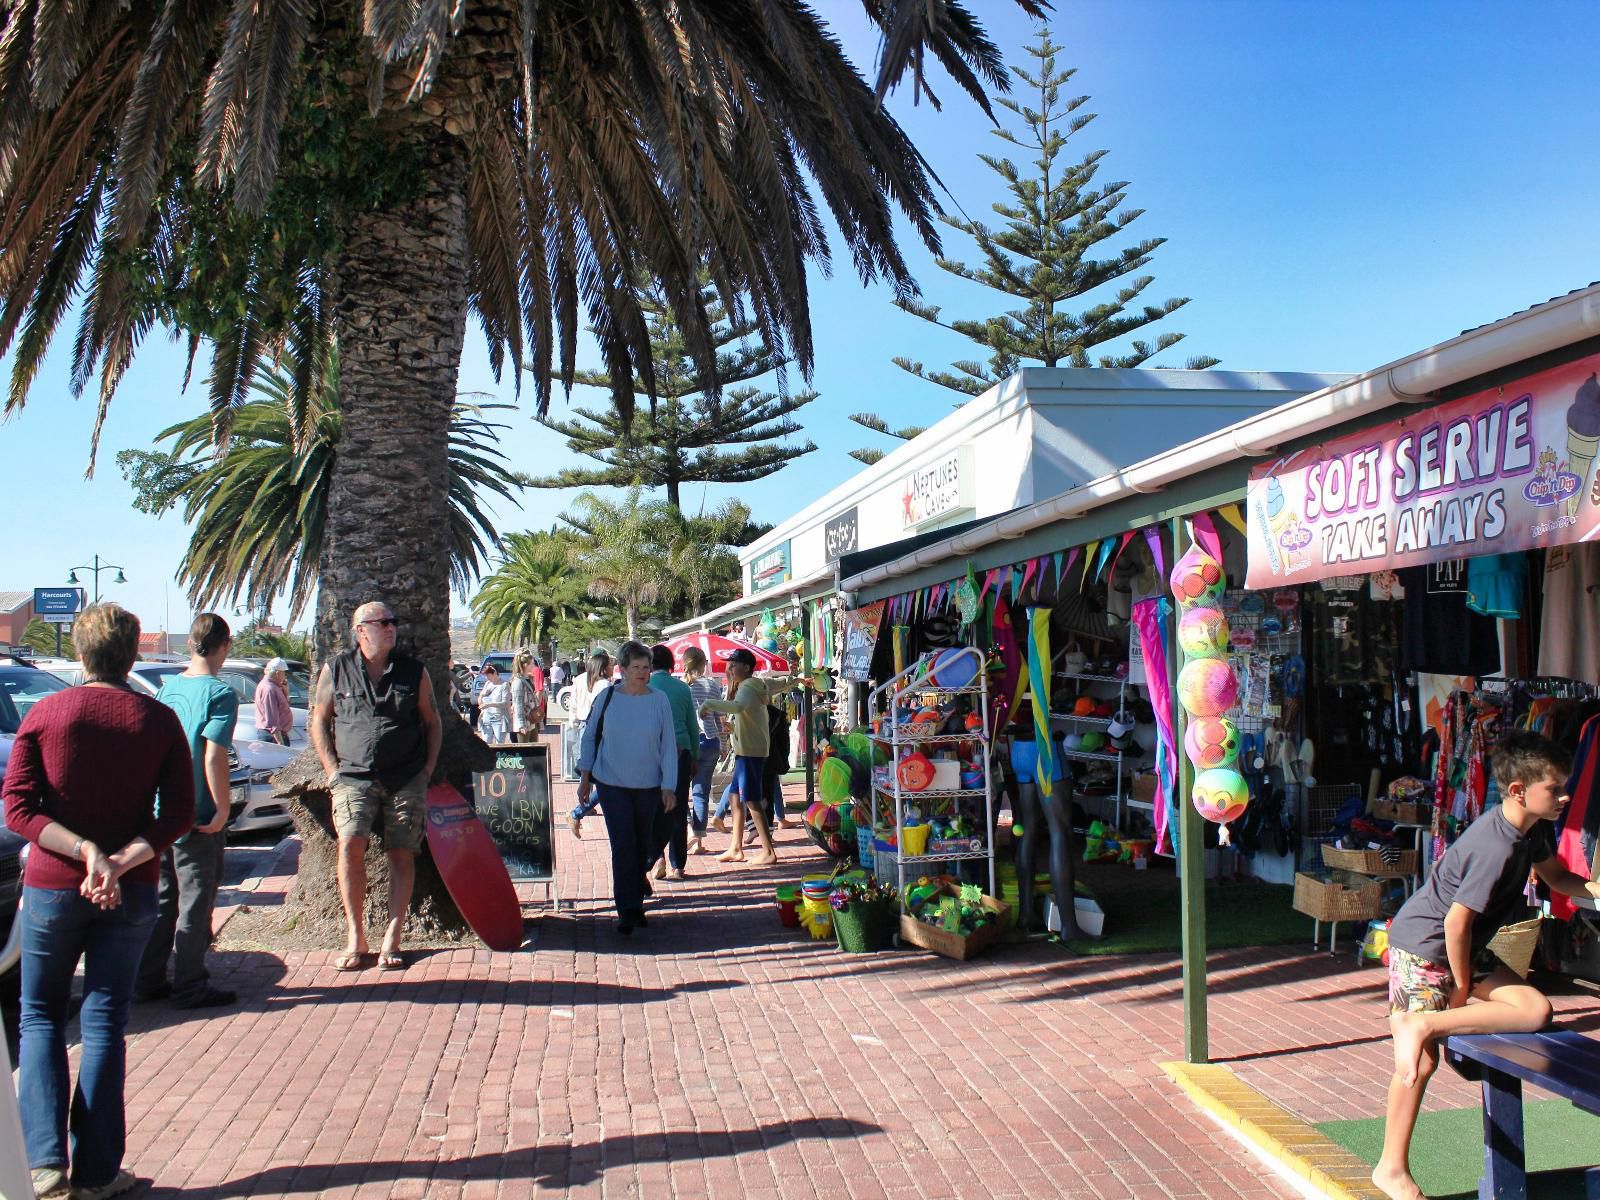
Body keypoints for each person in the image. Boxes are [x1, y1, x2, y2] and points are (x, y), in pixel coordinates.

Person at [3, 602, 195, 1200]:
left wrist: (83, 850)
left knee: (39, 1018)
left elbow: (19, 808)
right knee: (106, 1020)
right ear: (134, 653)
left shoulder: (47, 713)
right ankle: (96, 1173)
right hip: (131, 888)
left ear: (82, 654)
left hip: (53, 889)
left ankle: (42, 1166)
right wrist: (116, 860)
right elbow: (179, 815)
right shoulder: (159, 722)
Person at [1372, 731, 1600, 1200]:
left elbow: (1557, 877)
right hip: (1425, 946)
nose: (1565, 796)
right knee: (1421, 1063)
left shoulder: (1532, 828)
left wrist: (1597, 891)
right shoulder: (1493, 846)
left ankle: (1424, 1023)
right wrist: (1460, 988)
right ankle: (1390, 1168)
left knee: (1535, 1009)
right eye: (1555, 788)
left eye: (1565, 786)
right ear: (1518, 790)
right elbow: (1455, 924)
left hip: (1464, 948)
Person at [311, 601, 442, 973]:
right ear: (360, 630)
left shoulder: (413, 671)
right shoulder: (336, 670)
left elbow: (432, 721)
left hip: (405, 779)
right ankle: (356, 937)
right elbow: (319, 720)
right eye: (382, 622)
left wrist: (427, 769)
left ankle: (393, 937)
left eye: (393, 621)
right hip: (352, 778)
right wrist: (331, 770)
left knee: (402, 852)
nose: (391, 627)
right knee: (350, 844)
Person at [134, 613, 240, 1010]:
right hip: (197, 815)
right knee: (195, 903)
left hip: (163, 812)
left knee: (163, 901)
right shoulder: (220, 693)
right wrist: (222, 809)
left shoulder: (168, 688)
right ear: (223, 646)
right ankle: (190, 984)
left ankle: (147, 979)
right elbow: (214, 755)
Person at [574, 641, 678, 934]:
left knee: (644, 843)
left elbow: (668, 744)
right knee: (623, 845)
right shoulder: (608, 698)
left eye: (646, 667)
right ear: (622, 669)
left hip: (648, 786)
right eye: (636, 667)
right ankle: (628, 909)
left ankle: (635, 898)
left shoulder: (659, 700)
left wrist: (668, 785)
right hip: (611, 783)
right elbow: (590, 738)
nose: (642, 673)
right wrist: (585, 777)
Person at [698, 648, 778, 866]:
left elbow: (738, 706)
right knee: (734, 797)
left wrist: (708, 704)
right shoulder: (753, 686)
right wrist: (733, 728)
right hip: (749, 750)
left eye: (734, 665)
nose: (730, 668)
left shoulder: (748, 686)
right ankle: (736, 847)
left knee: (751, 799)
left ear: (747, 667)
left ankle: (768, 851)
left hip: (750, 752)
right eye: (729, 664)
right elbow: (749, 713)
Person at [647, 644, 699, 881]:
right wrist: (695, 757)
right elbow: (692, 726)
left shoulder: (645, 688)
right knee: (678, 808)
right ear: (671, 664)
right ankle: (678, 865)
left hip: (651, 754)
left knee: (653, 808)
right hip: (681, 751)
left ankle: (657, 857)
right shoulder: (682, 688)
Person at [682, 647, 724, 856]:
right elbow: (719, 718)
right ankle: (698, 839)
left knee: (680, 791)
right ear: (703, 664)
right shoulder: (713, 685)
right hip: (711, 742)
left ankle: (691, 830)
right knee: (701, 791)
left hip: (690, 743)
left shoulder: (682, 687)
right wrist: (723, 744)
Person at [566, 650, 612, 824]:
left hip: (584, 723)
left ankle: (584, 804)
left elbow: (573, 703)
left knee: (587, 764)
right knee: (600, 771)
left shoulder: (579, 680)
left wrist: (574, 722)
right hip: (598, 727)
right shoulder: (605, 685)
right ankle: (582, 808)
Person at [762, 700, 798, 829]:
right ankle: (772, 826)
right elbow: (784, 742)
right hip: (771, 759)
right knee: (768, 794)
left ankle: (769, 828)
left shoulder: (752, 713)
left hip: (756, 759)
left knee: (740, 790)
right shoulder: (776, 715)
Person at [254, 655, 294, 745]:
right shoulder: (269, 689)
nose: (284, 676)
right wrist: (280, 742)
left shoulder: (275, 687)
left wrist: (286, 692)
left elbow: (282, 708)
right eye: (283, 673)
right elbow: (272, 720)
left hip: (276, 736)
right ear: (277, 673)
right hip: (273, 737)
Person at [509, 651, 538, 743]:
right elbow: (518, 704)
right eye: (532, 663)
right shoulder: (518, 681)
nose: (534, 666)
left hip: (532, 719)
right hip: (524, 721)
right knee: (524, 751)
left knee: (534, 749)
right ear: (525, 665)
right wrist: (521, 724)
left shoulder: (528, 678)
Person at [477, 664, 510, 744]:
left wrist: (489, 704)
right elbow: (480, 702)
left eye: (488, 675)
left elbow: (505, 703)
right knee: (486, 742)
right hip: (486, 718)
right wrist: (481, 696)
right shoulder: (488, 684)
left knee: (499, 743)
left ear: (495, 673)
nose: (487, 678)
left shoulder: (504, 685)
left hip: (499, 719)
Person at [527, 654, 548, 731]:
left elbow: (539, 690)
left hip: (533, 710)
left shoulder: (536, 670)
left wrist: (536, 708)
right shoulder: (523, 673)